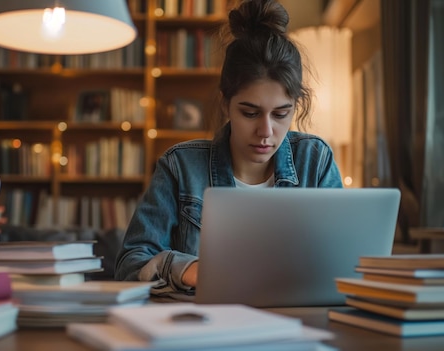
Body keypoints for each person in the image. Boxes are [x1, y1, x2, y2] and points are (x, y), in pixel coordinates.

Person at [114, 0, 343, 298]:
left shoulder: (316, 161)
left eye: (281, 114)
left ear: (296, 106)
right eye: (250, 113)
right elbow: (130, 266)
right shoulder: (180, 166)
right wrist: (190, 270)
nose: (266, 131)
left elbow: (344, 264)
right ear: (226, 104)